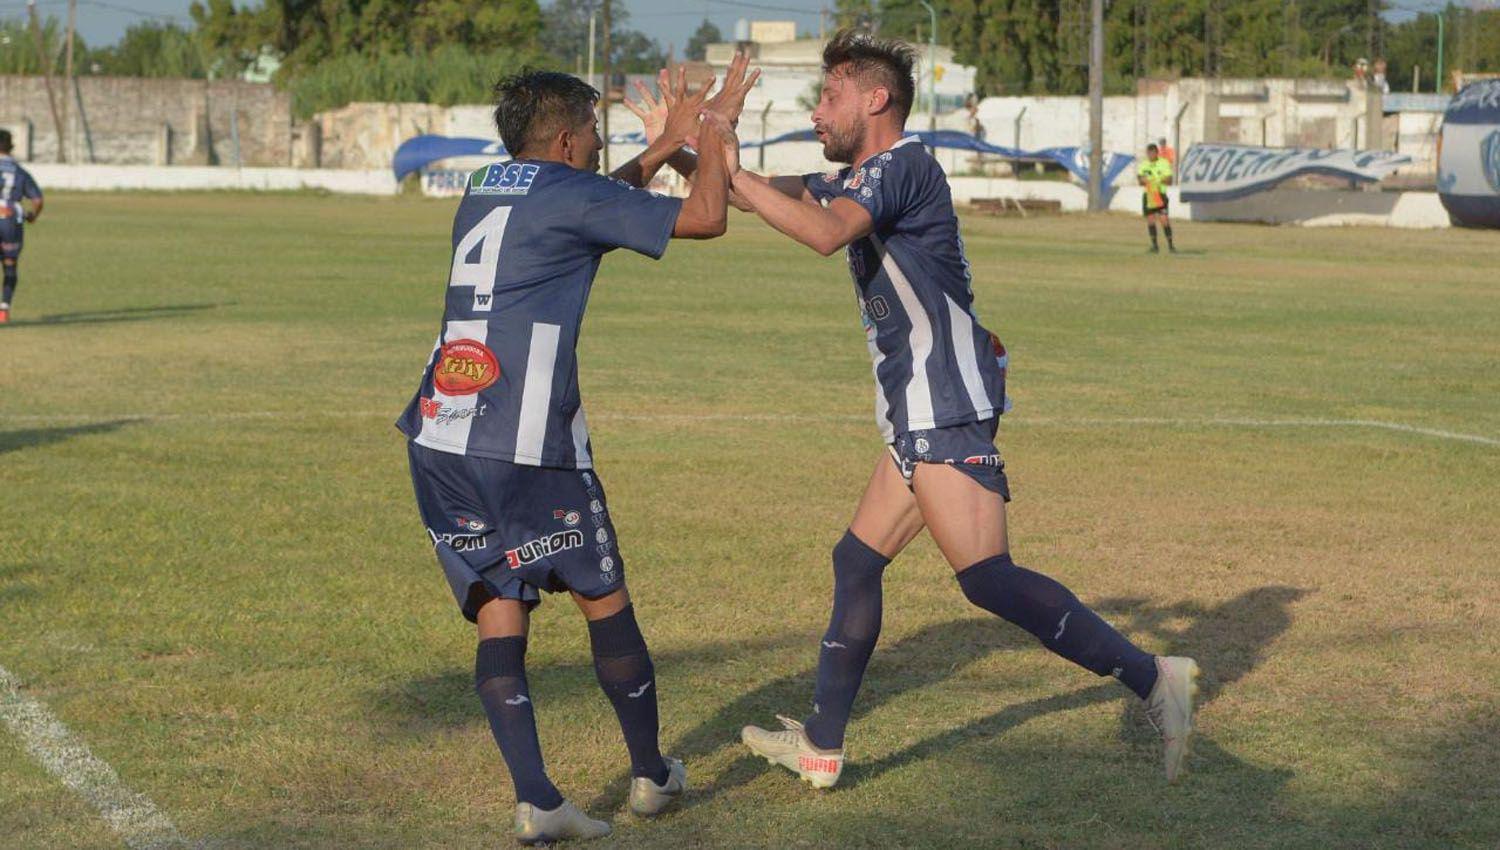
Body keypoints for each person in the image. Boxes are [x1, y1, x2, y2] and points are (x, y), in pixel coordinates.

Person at [705, 30, 1198, 789]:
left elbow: (823, 233)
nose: (816, 112)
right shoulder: (865, 174)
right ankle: (822, 745)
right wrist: (697, 141)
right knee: (857, 559)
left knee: (986, 578)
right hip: (917, 402)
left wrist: (723, 158)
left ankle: (1152, 678)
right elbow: (748, 188)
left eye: (829, 96)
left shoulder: (902, 165)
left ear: (876, 98)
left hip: (943, 396)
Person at [394, 67, 748, 844]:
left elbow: (592, 203)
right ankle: (652, 775)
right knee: (603, 600)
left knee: (500, 610)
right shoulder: (571, 191)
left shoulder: (492, 184)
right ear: (564, 140)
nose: (598, 142)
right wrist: (713, 134)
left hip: (439, 435)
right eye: (593, 130)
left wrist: (660, 145)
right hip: (524, 442)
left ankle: (537, 799)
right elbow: (707, 217)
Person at [0, 130, 44, 324]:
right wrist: (32, 215)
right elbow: (38, 199)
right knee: (10, 265)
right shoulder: (20, 172)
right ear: (11, 147)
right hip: (11, 220)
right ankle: (4, 309)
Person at [1139, 143, 1175, 254]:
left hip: (1160, 194)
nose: (1150, 155)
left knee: (1164, 220)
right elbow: (1140, 180)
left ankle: (1170, 245)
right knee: (1150, 220)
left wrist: (1158, 181)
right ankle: (1154, 246)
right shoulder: (1144, 164)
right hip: (1149, 195)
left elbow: (1169, 180)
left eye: (1152, 153)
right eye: (1148, 153)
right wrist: (1143, 181)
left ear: (1156, 153)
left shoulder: (1163, 163)